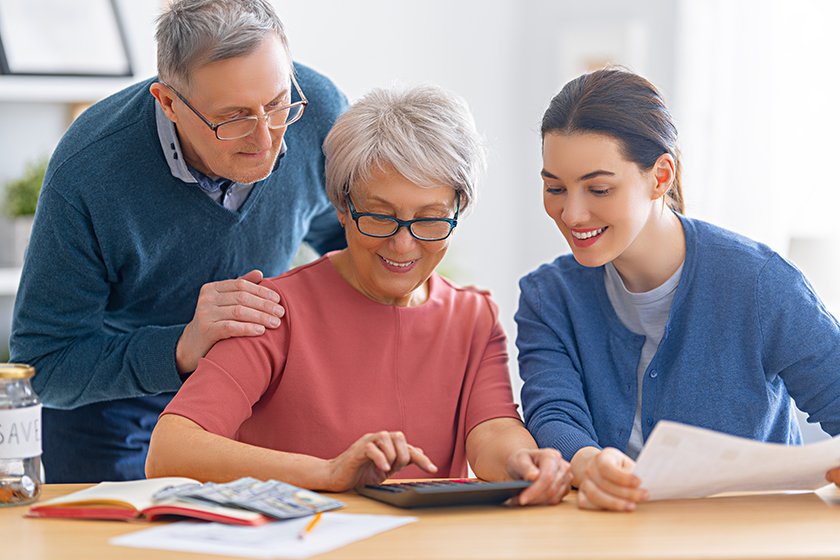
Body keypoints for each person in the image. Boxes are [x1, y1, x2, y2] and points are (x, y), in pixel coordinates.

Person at [145, 84, 573, 505]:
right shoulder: (275, 310)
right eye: (380, 216)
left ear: (459, 209)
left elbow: (492, 429)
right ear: (342, 206)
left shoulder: (472, 316)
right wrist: (327, 474)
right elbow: (171, 449)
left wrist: (524, 461)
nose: (403, 246)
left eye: (430, 219)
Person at [9, 0, 348, 483]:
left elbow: (344, 233)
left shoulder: (318, 111)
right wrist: (182, 347)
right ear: (168, 103)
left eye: (276, 104)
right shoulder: (88, 171)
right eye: (233, 118)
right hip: (111, 414)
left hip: (248, 396)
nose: (266, 137)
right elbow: (44, 364)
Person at [515, 66, 840, 512]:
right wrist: (589, 464)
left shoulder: (758, 282)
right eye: (555, 187)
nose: (572, 214)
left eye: (599, 188)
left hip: (750, 536)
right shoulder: (548, 297)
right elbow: (553, 413)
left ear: (661, 176)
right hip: (608, 533)